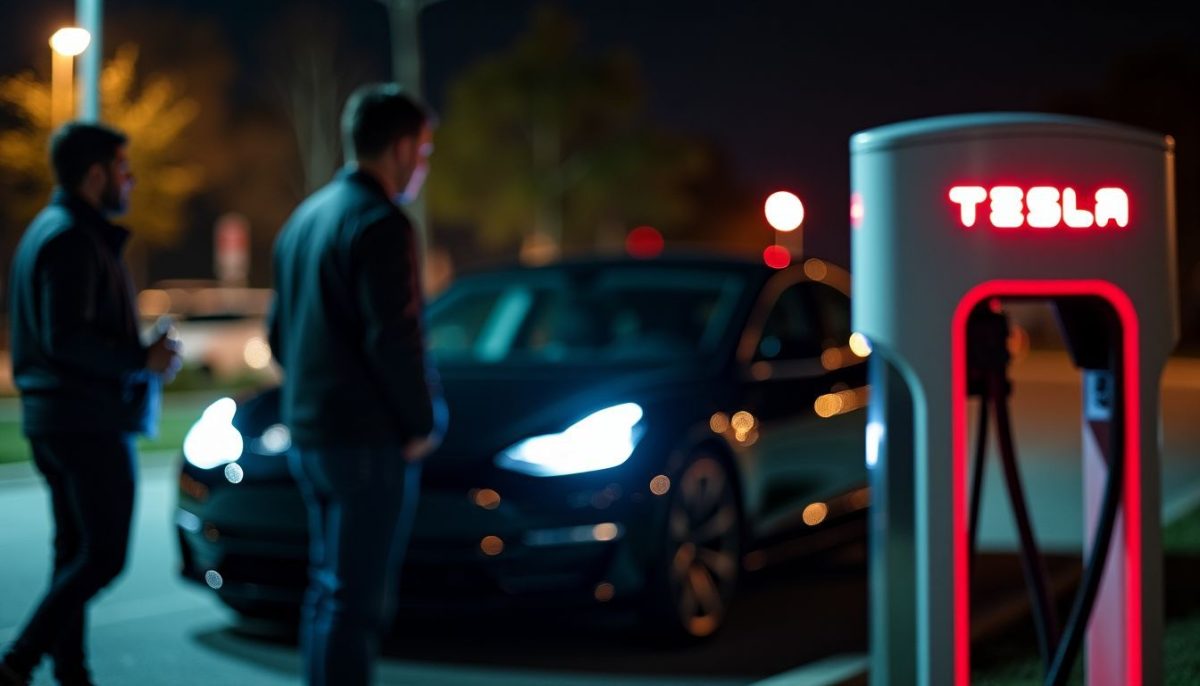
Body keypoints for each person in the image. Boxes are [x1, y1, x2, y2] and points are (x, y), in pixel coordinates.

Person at [267, 83, 445, 686]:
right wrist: (422, 423)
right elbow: (395, 340)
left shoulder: (305, 218)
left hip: (311, 435)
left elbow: (277, 337)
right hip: (366, 444)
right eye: (422, 151)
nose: (422, 165)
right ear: (399, 148)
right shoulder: (380, 223)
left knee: (328, 592)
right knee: (358, 603)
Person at [1, 123, 181, 686]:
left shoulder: (49, 232)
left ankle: (71, 669)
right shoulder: (70, 238)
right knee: (103, 556)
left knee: (72, 552)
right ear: (96, 174)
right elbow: (67, 338)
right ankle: (20, 659)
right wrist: (140, 358)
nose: (131, 180)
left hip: (60, 421)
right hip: (86, 423)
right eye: (124, 169)